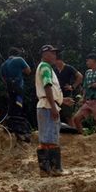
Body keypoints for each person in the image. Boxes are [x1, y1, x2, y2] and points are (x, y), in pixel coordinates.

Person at [35, 44, 73, 175]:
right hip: (48, 106)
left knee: (45, 139)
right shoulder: (46, 67)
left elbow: (50, 89)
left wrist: (62, 100)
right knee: (51, 138)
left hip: (44, 105)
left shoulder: (43, 67)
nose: (55, 56)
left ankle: (45, 170)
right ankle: (56, 169)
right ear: (45, 54)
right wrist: (53, 106)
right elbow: (47, 86)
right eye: (52, 53)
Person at [53, 51, 83, 125]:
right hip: (57, 95)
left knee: (68, 116)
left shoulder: (68, 68)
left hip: (67, 94)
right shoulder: (55, 70)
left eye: (56, 61)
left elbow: (80, 76)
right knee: (57, 114)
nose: (55, 63)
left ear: (60, 60)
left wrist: (73, 86)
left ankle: (74, 132)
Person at [0, 47, 31, 115]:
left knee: (11, 104)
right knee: (19, 103)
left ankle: (11, 120)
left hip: (9, 88)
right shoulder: (19, 59)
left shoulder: (3, 64)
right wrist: (21, 70)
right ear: (17, 54)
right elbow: (28, 71)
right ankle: (18, 118)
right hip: (19, 87)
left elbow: (3, 78)